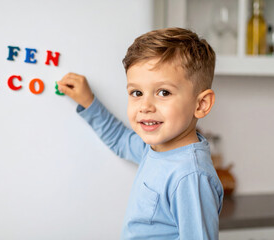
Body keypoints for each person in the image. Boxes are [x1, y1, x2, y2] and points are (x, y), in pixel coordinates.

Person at [57, 27, 224, 240]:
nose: (145, 106)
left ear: (201, 104)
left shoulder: (190, 176)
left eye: (163, 92)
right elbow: (120, 140)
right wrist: (88, 102)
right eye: (137, 93)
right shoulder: (156, 148)